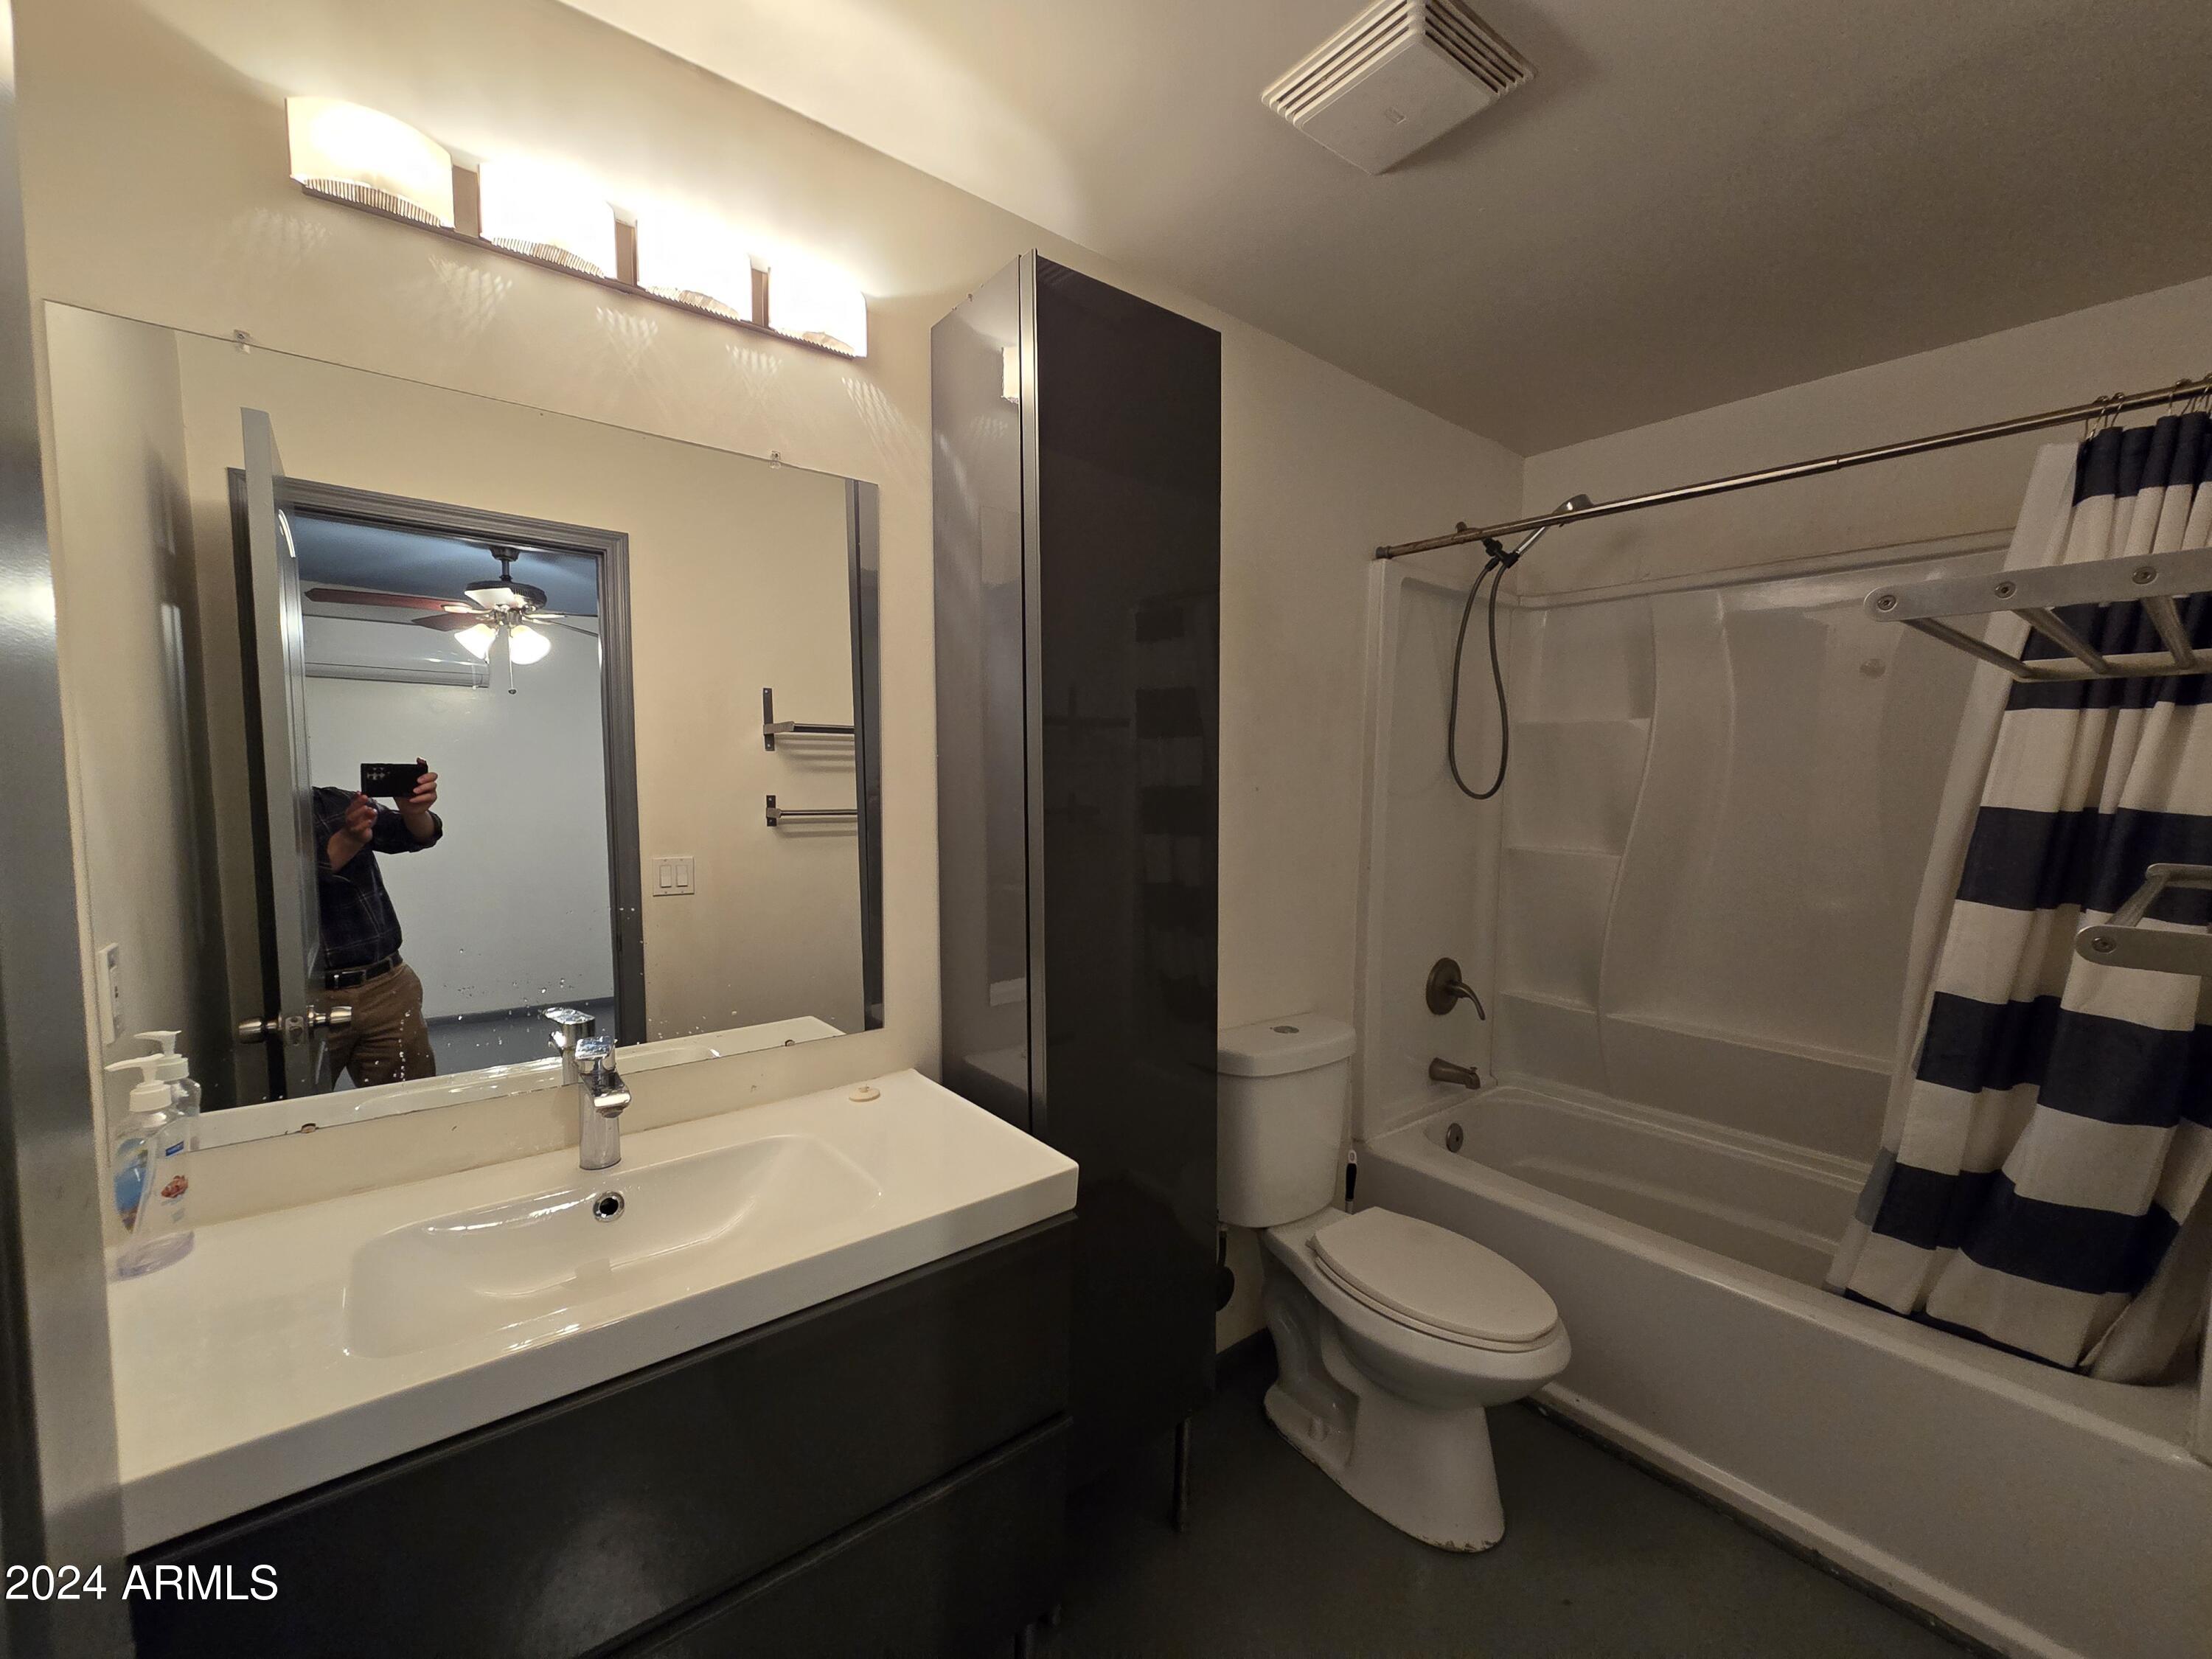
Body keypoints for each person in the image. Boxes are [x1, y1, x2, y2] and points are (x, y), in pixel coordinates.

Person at [313, 761, 442, 1088]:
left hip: (387, 985)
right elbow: (288, 887)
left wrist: (415, 814)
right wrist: (349, 839)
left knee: (412, 1105)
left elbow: (417, 835)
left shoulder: (334, 803)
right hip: (309, 999)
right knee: (297, 1112)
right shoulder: (250, 824)